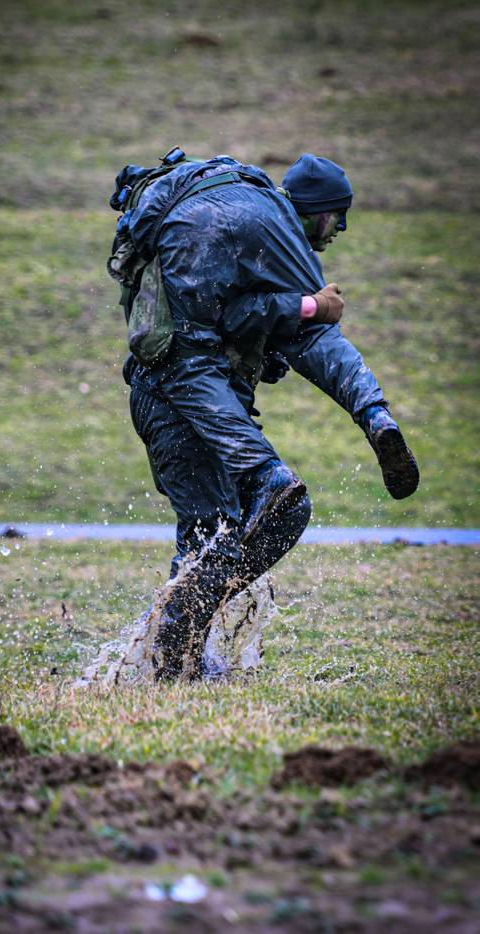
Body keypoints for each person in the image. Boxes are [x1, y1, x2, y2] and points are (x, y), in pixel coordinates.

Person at [108, 149, 419, 680]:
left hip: (166, 390)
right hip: (180, 386)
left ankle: (171, 653)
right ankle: (171, 646)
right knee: (270, 507)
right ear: (312, 210)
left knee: (210, 537)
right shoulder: (277, 236)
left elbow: (236, 313)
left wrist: (300, 308)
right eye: (335, 214)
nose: (340, 226)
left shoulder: (245, 245)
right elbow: (318, 338)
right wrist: (372, 411)